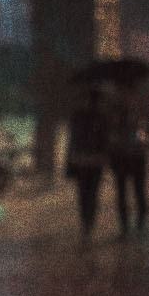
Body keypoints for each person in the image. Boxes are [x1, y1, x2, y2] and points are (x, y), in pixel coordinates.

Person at [66, 87, 109, 244]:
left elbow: (103, 140)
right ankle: (87, 221)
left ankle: (88, 221)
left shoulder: (97, 118)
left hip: (91, 161)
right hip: (84, 161)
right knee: (86, 193)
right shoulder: (80, 117)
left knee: (89, 193)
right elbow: (73, 141)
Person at [107, 87, 149, 236]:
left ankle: (140, 221)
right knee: (122, 193)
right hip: (121, 157)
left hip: (136, 157)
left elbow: (148, 130)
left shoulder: (139, 112)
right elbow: (110, 135)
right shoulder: (115, 114)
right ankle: (124, 225)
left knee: (138, 190)